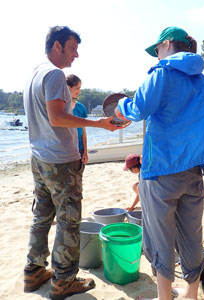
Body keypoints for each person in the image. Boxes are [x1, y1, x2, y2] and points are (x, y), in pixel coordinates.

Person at [115, 26, 204, 300]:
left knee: (160, 238)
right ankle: (191, 294)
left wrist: (121, 105)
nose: (156, 55)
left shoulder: (162, 74)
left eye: (157, 49)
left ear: (168, 44)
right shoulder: (203, 82)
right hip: (193, 172)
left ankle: (164, 297)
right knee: (191, 236)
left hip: (160, 172)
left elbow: (138, 109)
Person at [23, 26, 118, 300]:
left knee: (41, 217)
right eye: (72, 48)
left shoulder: (34, 73)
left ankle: (34, 272)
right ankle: (63, 280)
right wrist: (96, 123)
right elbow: (56, 118)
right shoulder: (54, 74)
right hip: (61, 162)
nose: (76, 55)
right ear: (57, 46)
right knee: (68, 221)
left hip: (38, 159)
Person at [66, 74, 88, 164]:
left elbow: (83, 131)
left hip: (80, 150)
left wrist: (85, 152)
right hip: (65, 152)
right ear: (68, 88)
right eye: (77, 88)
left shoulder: (81, 107)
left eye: (80, 88)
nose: (79, 91)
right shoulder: (60, 108)